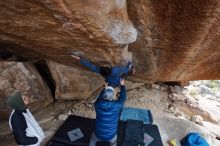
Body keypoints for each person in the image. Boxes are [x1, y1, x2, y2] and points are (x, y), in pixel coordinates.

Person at [89, 79, 127, 146]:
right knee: (114, 142)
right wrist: (122, 86)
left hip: (98, 135)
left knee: (92, 140)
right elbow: (123, 97)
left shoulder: (97, 105)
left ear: (104, 96)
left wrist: (105, 88)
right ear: (112, 96)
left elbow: (99, 98)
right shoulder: (117, 106)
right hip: (111, 136)